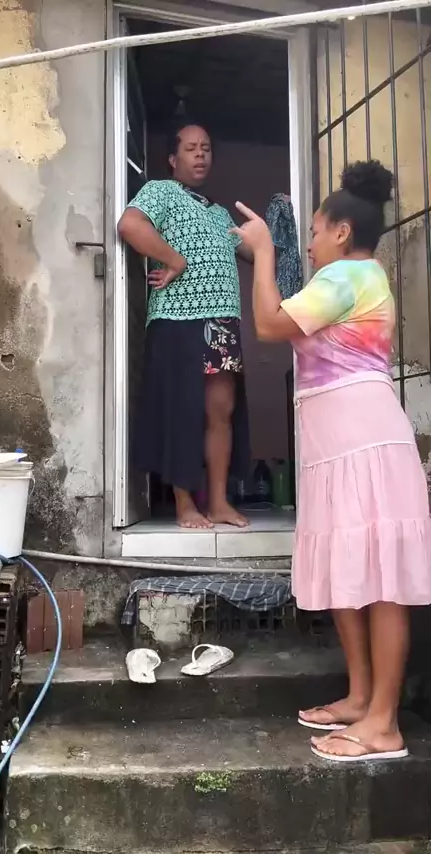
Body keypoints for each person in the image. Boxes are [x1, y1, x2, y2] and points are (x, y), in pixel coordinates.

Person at [231, 159, 431, 762]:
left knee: (383, 582)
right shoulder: (347, 280)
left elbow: (269, 322)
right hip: (337, 445)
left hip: (363, 443)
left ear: (342, 232)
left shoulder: (348, 275)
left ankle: (383, 724)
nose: (310, 243)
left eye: (315, 232)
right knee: (351, 569)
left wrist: (264, 250)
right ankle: (362, 698)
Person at [118, 122, 251, 529]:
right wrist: (174, 259)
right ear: (173, 159)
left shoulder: (219, 213)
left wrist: (274, 231)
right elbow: (130, 225)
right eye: (191, 148)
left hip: (221, 320)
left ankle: (218, 502)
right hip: (177, 318)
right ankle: (184, 504)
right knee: (183, 410)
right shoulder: (160, 191)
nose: (200, 154)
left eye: (206, 148)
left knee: (220, 409)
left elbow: (255, 251)